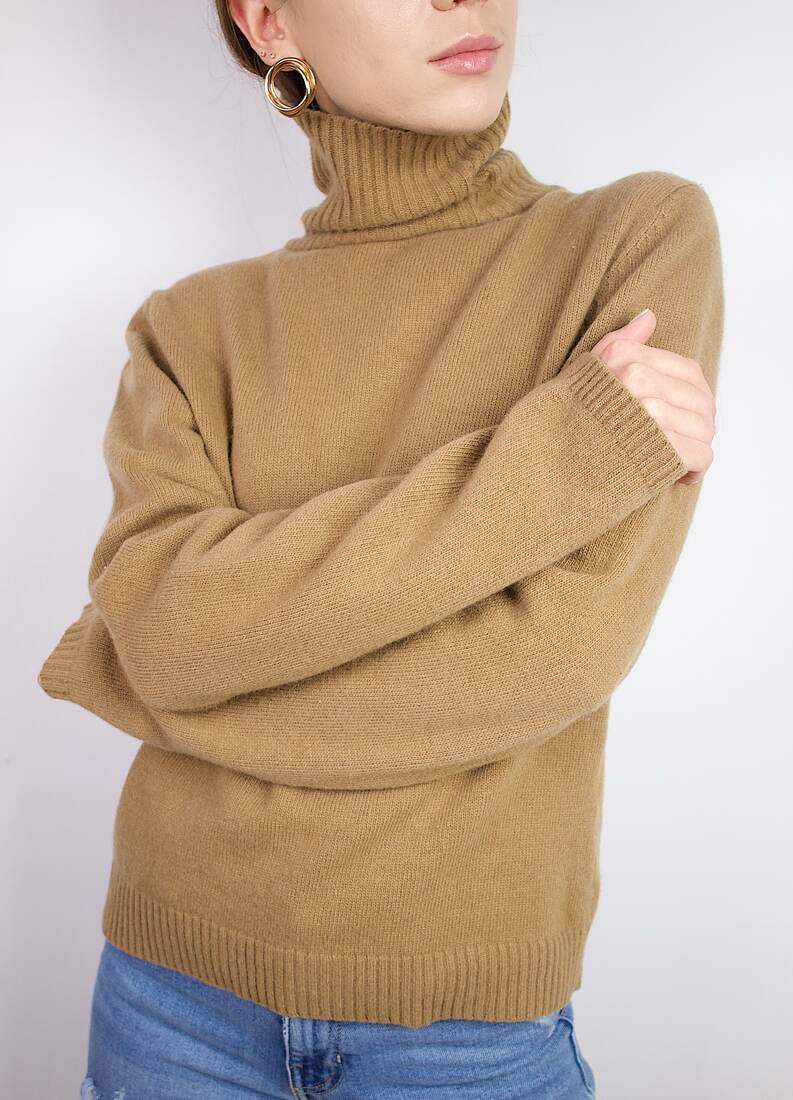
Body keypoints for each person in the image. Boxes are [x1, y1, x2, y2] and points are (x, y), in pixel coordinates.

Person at [39, 0, 723, 1096]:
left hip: (463, 1038)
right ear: (268, 19)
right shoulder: (188, 329)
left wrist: (168, 676)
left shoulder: (631, 241)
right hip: (172, 1005)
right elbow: (164, 634)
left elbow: (550, 656)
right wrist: (567, 452)